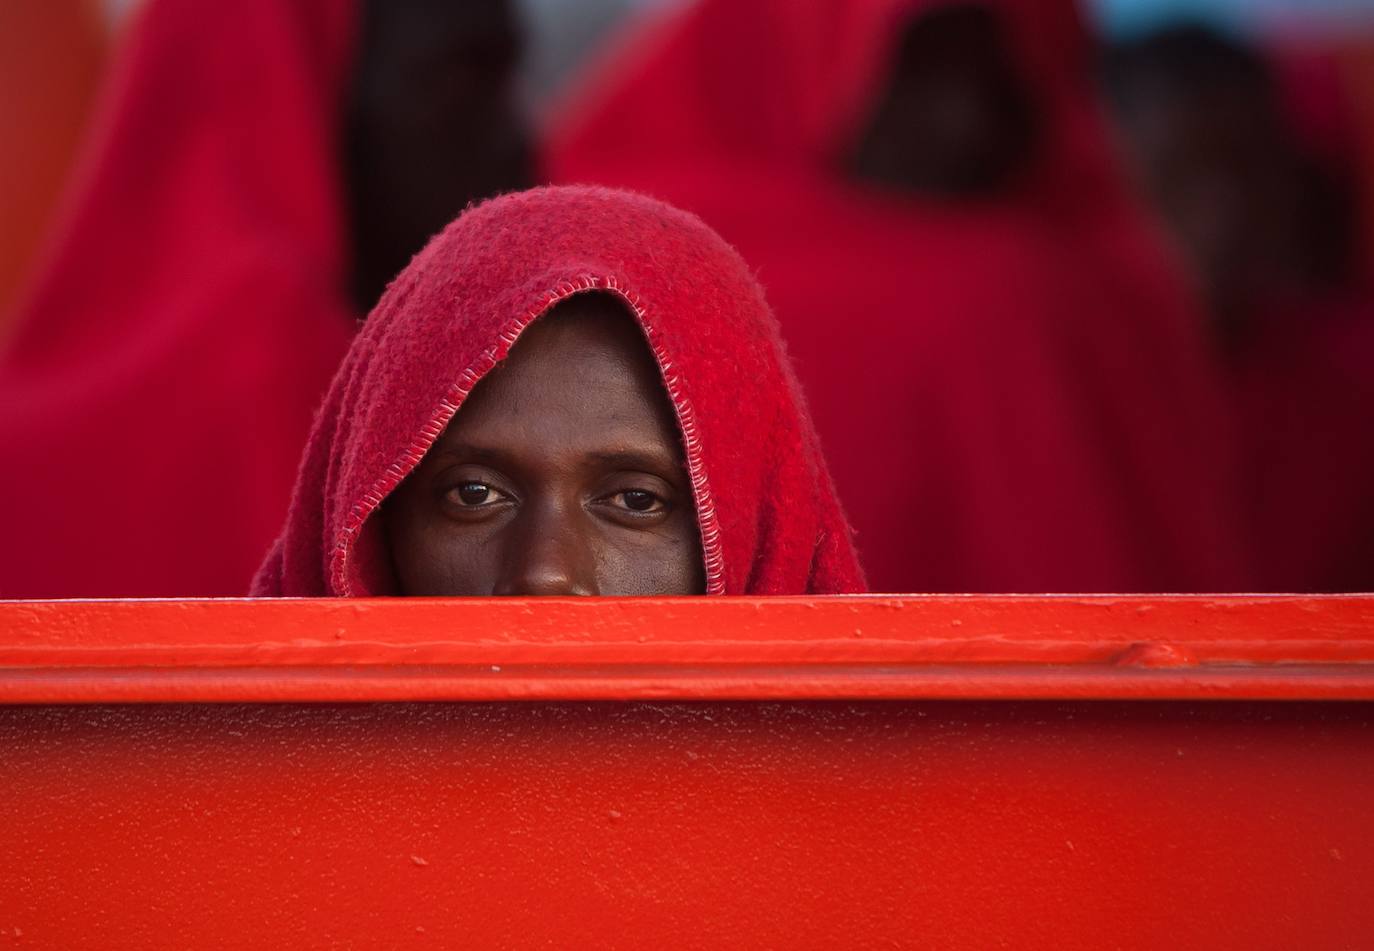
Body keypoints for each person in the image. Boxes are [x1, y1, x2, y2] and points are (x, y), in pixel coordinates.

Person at [547, 0, 1246, 592]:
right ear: (797, 64)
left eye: (998, 79)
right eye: (919, 72)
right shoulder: (633, 260)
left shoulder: (1084, 272)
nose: (964, 122)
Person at [0, 0, 531, 597]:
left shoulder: (28, 418)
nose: (524, 146)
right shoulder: (309, 401)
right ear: (305, 85)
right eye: (472, 79)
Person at [251, 186, 866, 597]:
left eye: (636, 501)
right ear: (371, 534)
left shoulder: (880, 795)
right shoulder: (230, 791)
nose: (545, 573)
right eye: (474, 494)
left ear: (758, 539)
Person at [1104, 25, 1374, 590]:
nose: (1226, 209)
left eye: (1252, 169)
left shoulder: (1352, 384)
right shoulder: (1049, 386)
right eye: (1179, 178)